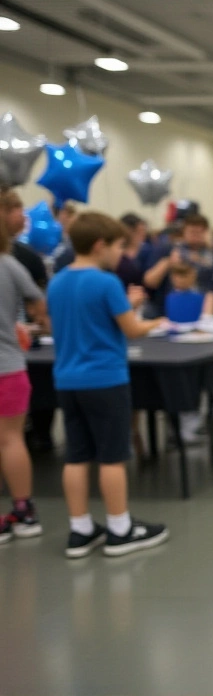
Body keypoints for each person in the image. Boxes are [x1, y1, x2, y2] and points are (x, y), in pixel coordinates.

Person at [45, 212, 169, 558]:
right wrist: (154, 320)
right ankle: (119, 527)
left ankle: (80, 529)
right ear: (100, 245)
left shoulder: (57, 282)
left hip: (67, 380)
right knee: (113, 456)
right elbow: (130, 329)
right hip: (105, 379)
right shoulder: (106, 283)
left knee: (77, 454)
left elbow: (77, 320)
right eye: (118, 247)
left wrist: (122, 308)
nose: (122, 254)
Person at [0, 210, 48, 544]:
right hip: (8, 366)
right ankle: (23, 510)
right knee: (11, 439)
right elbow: (38, 306)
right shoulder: (9, 265)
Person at [141, 212, 213, 320]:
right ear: (184, 232)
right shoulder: (168, 249)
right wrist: (168, 262)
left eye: (199, 232)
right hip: (169, 309)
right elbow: (149, 280)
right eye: (192, 232)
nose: (195, 236)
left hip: (202, 309)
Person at [116, 213, 149, 290]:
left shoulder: (147, 251)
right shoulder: (117, 252)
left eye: (143, 230)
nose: (143, 234)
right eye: (139, 231)